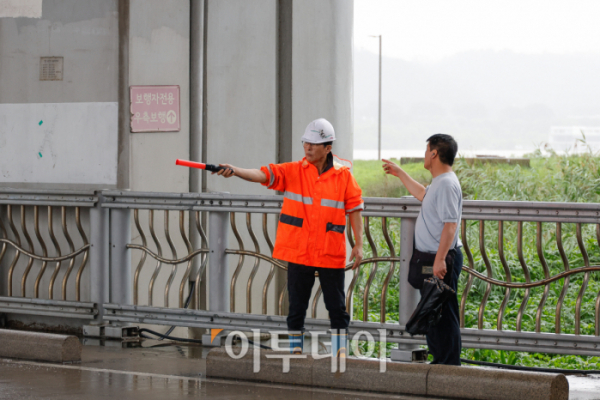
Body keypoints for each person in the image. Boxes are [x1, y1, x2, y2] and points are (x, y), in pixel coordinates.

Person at [214, 118, 364, 357]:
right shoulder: (293, 171)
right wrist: (235, 171)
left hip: (329, 252)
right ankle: (295, 353)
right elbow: (262, 175)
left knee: (337, 309)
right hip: (300, 251)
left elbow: (355, 209)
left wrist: (358, 243)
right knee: (296, 309)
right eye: (306, 143)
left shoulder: (343, 176)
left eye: (314, 144)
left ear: (328, 148)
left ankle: (340, 354)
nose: (307, 148)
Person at [382, 134, 463, 365]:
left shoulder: (446, 183)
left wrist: (440, 260)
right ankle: (441, 363)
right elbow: (422, 195)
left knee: (443, 314)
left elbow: (450, 225)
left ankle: (448, 366)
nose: (425, 154)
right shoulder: (440, 181)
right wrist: (399, 173)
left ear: (434, 153)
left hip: (442, 259)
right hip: (435, 257)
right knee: (433, 311)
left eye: (427, 150)